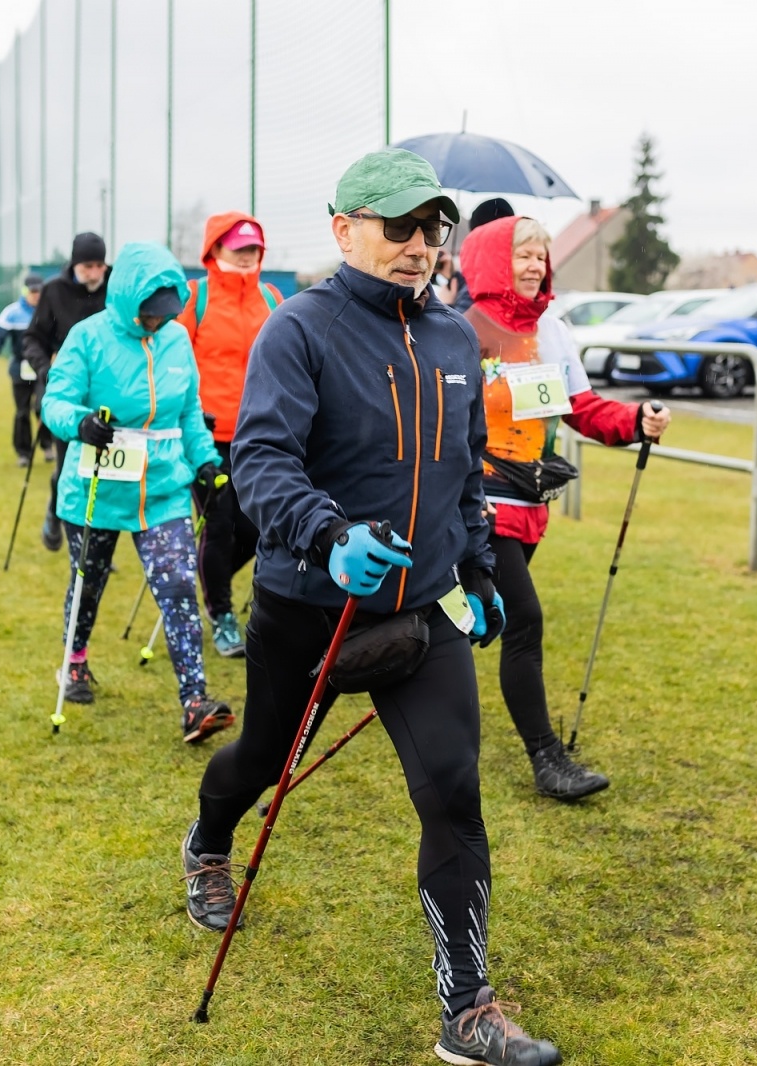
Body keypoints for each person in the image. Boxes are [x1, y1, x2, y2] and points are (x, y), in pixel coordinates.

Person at [181, 148, 563, 1066]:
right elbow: (263, 464)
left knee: (453, 790)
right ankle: (208, 840)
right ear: (344, 227)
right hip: (309, 607)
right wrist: (328, 534)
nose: (420, 246)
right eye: (399, 227)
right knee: (263, 760)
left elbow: (464, 473)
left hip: (422, 611)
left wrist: (476, 570)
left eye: (433, 228)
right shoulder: (299, 331)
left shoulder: (448, 338)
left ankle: (467, 1010)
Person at [459, 215, 671, 802]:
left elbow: (581, 407)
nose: (534, 266)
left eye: (540, 256)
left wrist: (634, 421)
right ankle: (546, 757)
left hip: (530, 503)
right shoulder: (463, 329)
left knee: (474, 620)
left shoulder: (551, 328)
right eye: (522, 255)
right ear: (494, 261)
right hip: (478, 507)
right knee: (523, 619)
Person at [40, 241, 235, 744]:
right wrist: (79, 423)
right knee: (90, 583)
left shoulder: (175, 341)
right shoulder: (88, 337)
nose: (156, 324)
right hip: (97, 487)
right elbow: (55, 401)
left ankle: (195, 700)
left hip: (163, 488)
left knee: (176, 585)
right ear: (127, 300)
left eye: (164, 316)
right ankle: (75, 661)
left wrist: (206, 462)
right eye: (148, 315)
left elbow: (188, 411)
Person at [174, 212, 282, 658]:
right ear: (214, 249)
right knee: (219, 527)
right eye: (237, 247)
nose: (246, 255)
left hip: (263, 436)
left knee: (261, 528)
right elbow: (174, 362)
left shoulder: (272, 297)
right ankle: (220, 614)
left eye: (253, 248)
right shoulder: (194, 298)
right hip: (208, 436)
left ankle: (205, 579)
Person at [24, 232, 111, 551]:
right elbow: (32, 338)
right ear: (75, 264)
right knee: (67, 467)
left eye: (100, 265)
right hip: (67, 394)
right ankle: (54, 509)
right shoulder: (53, 292)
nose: (95, 272)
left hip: (108, 392)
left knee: (103, 470)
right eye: (88, 265)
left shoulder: (115, 287)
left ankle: (97, 541)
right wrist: (47, 370)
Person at [0, 273, 44, 466]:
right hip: (20, 367)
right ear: (25, 291)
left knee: (43, 407)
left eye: (39, 291)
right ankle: (24, 452)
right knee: (22, 411)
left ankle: (47, 444)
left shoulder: (47, 310)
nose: (36, 295)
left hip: (43, 367)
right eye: (33, 291)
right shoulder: (12, 312)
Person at [450, 197, 514, 314]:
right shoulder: (513, 271)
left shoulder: (486, 281)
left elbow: (456, 329)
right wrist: (456, 277)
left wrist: (446, 304)